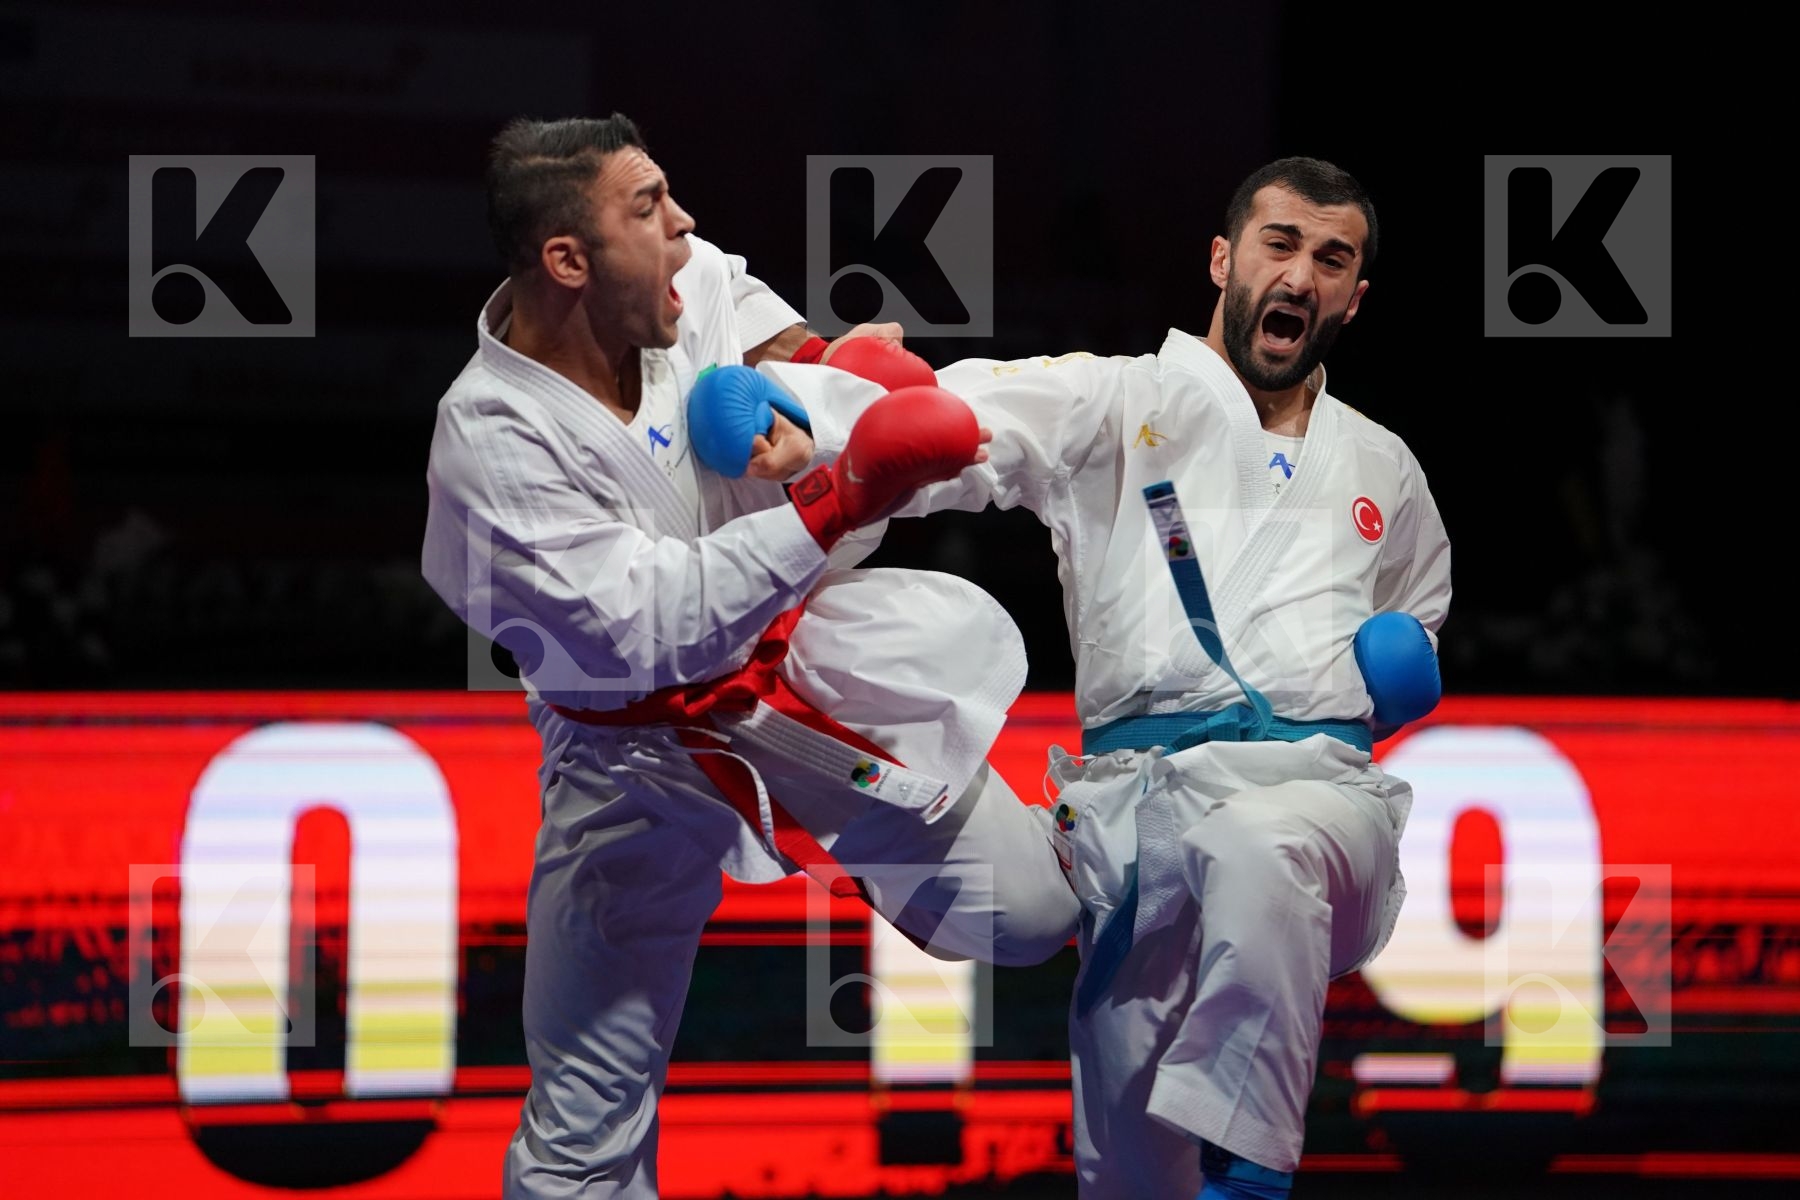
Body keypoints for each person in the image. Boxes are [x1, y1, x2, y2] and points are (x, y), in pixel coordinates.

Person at [757, 157, 1451, 1199]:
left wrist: (1409, 670)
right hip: (1138, 833)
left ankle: (1252, 1160)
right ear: (1223, 259)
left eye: (1332, 258)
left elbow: (1416, 617)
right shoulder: (1121, 399)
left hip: (1317, 808)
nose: (1301, 275)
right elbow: (965, 418)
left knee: (1261, 846)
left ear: (1356, 294)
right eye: (1279, 244)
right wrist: (814, 409)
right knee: (1127, 1169)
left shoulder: (1385, 467)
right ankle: (767, 721)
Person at [420, 115, 1080, 1199]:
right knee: (586, 1127)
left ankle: (991, 842)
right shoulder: (489, 439)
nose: (685, 226)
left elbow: (799, 363)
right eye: (648, 209)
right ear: (568, 261)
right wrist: (835, 496)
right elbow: (646, 630)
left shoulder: (691, 289)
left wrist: (838, 394)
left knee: (1033, 916)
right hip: (627, 769)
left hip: (805, 681)